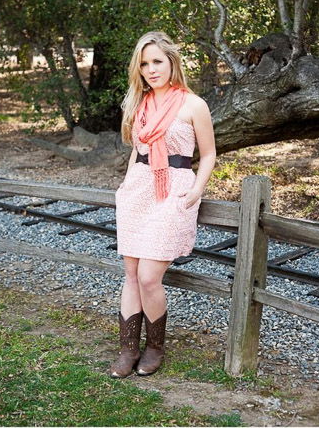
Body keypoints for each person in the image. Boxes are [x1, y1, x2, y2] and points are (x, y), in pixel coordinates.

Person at [109, 31, 216, 378]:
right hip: (138, 191)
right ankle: (128, 350)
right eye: (144, 64)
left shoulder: (193, 104)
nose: (151, 69)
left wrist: (197, 190)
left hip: (173, 192)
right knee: (130, 275)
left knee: (149, 277)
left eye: (157, 61)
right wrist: (126, 186)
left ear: (172, 61)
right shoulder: (139, 104)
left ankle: (155, 347)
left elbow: (210, 153)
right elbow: (136, 151)